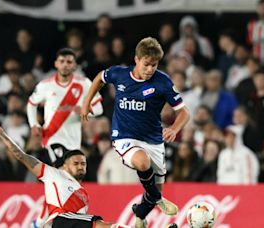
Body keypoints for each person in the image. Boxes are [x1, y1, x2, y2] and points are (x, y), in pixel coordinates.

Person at [81, 37, 190, 227]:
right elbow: (100, 78)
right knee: (143, 162)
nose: (150, 70)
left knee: (154, 187)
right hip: (125, 137)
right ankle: (157, 198)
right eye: (146, 64)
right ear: (137, 59)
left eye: (154, 65)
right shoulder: (119, 74)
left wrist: (174, 129)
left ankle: (140, 215)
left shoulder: (162, 82)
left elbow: (184, 112)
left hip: (154, 139)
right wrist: (86, 102)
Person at [0, 119, 133, 228]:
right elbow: (21, 156)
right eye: (76, 163)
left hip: (69, 222)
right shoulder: (54, 174)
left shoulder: (84, 195)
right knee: (101, 225)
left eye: (83, 164)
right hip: (60, 221)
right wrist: (1, 133)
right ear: (65, 166)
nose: (80, 166)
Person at [27, 48, 103, 164]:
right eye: (62, 61)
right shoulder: (45, 85)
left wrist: (85, 110)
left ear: (75, 65)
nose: (65, 65)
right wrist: (34, 124)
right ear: (56, 64)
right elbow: (31, 104)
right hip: (52, 136)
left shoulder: (84, 83)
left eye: (69, 62)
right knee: (60, 168)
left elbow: (99, 109)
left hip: (74, 139)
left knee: (69, 176)